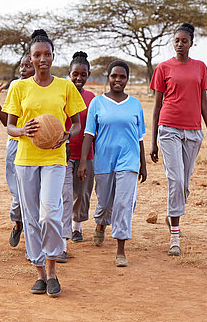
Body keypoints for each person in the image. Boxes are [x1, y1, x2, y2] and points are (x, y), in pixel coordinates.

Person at [2, 29, 86, 297]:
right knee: (31, 218)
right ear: (30, 57)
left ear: (53, 56)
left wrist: (65, 135)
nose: (42, 59)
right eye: (37, 55)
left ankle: (52, 269)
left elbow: (76, 124)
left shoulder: (65, 86)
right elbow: (10, 126)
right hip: (25, 160)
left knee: (49, 213)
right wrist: (22, 131)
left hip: (55, 158)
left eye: (46, 54)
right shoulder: (19, 87)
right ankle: (40, 274)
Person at [149, 23, 207, 256]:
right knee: (176, 180)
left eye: (184, 40)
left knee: (184, 184)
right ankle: (175, 237)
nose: (180, 44)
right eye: (176, 40)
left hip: (193, 132)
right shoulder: (163, 68)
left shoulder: (200, 68)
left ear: (191, 42)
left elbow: (204, 104)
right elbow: (157, 105)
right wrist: (153, 141)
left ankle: (173, 213)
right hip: (168, 129)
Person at [78, 60, 147, 267]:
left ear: (127, 79)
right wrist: (83, 162)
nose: (118, 80)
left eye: (122, 77)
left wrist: (143, 163)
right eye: (114, 76)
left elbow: (140, 136)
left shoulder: (135, 104)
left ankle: (120, 250)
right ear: (108, 78)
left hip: (129, 159)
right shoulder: (97, 103)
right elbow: (89, 134)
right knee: (105, 201)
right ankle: (100, 223)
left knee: (123, 203)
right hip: (104, 160)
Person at [0, 54, 35, 249]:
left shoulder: (44, 88)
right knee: (18, 195)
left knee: (34, 195)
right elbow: (6, 122)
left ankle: (33, 242)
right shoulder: (16, 87)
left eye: (27, 66)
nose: (23, 70)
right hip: (16, 145)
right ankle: (18, 224)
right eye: (22, 66)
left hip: (36, 146)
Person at [58, 51, 96, 263]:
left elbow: (92, 129)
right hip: (63, 153)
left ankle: (77, 227)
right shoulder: (61, 93)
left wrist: (86, 159)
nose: (79, 78)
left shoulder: (92, 99)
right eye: (75, 74)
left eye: (83, 74)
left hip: (86, 153)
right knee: (64, 196)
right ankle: (63, 239)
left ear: (88, 75)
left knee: (82, 194)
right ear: (69, 74)